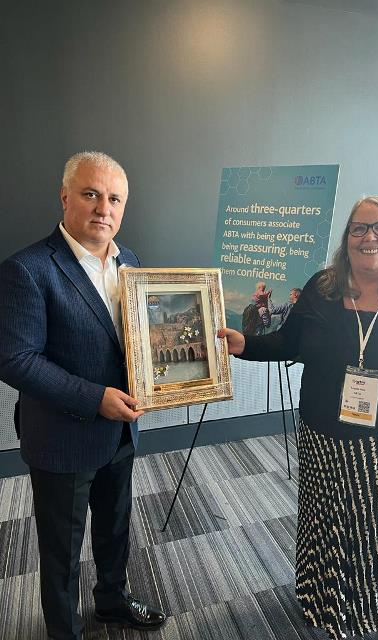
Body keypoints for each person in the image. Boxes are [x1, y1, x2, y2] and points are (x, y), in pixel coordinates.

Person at [219, 195, 378, 640]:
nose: (369, 237)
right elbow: (288, 343)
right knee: (329, 523)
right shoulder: (323, 287)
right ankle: (327, 604)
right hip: (324, 434)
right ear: (347, 237)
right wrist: (246, 346)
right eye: (359, 228)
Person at [0, 152, 167, 639]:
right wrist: (95, 398)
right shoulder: (27, 269)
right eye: (91, 194)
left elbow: (137, 340)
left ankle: (112, 601)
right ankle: (64, 631)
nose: (103, 208)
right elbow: (16, 360)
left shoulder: (130, 261)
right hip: (63, 437)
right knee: (62, 550)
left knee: (115, 528)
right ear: (65, 196)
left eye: (115, 199)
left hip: (121, 431)